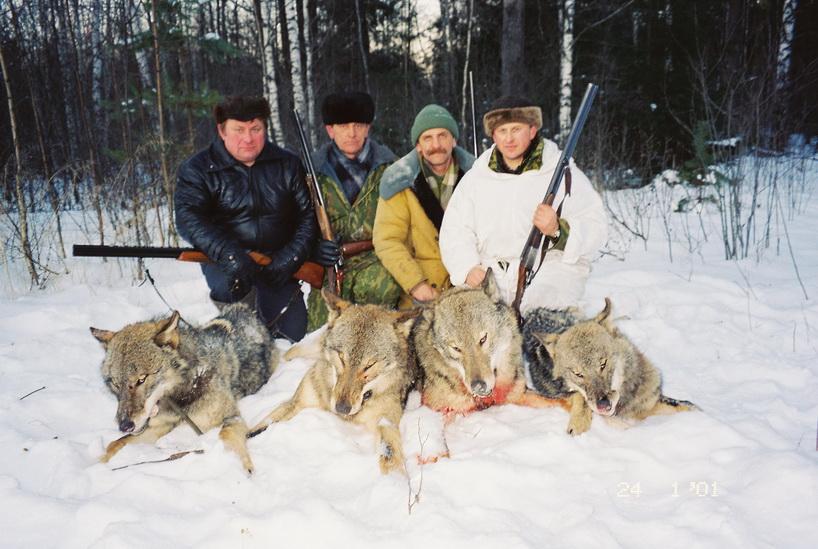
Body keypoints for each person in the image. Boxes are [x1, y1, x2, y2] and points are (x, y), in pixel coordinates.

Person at [175, 95, 339, 342]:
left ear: (265, 128)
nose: (248, 138)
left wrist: (291, 258)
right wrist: (229, 254)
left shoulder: (288, 163)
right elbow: (188, 219)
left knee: (291, 335)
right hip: (226, 263)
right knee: (244, 340)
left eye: (256, 129)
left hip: (279, 263)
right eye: (239, 130)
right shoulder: (197, 169)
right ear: (222, 131)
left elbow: (307, 217)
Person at [439, 95, 607, 313]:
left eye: (516, 129)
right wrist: (468, 268)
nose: (509, 139)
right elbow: (455, 231)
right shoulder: (476, 178)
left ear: (532, 130)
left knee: (545, 316)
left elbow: (596, 228)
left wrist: (558, 230)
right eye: (502, 131)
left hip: (550, 269)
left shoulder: (563, 173)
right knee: (466, 322)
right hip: (490, 271)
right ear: (493, 135)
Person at [306, 91, 401, 330]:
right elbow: (299, 223)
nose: (351, 133)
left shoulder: (391, 168)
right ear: (330, 130)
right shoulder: (311, 172)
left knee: (376, 325)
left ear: (368, 128)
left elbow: (405, 222)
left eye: (358, 125)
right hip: (329, 264)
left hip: (379, 260)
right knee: (322, 328)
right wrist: (315, 248)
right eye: (343, 126)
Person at [373, 104, 475, 308]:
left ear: (454, 140)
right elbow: (387, 240)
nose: (436, 144)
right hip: (424, 291)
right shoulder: (399, 182)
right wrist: (416, 284)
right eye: (427, 138)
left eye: (442, 135)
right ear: (418, 145)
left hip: (469, 285)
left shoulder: (477, 177)